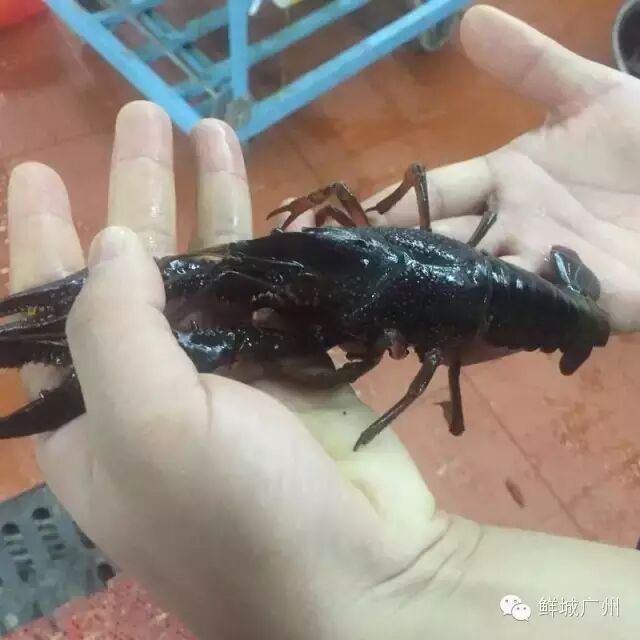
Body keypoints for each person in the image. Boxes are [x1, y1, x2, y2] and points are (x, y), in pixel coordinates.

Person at [6, 5, 639, 639]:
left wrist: (404, 580)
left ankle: (576, 321)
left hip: (517, 302)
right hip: (454, 276)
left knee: (247, 321)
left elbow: (387, 365)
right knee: (232, 267)